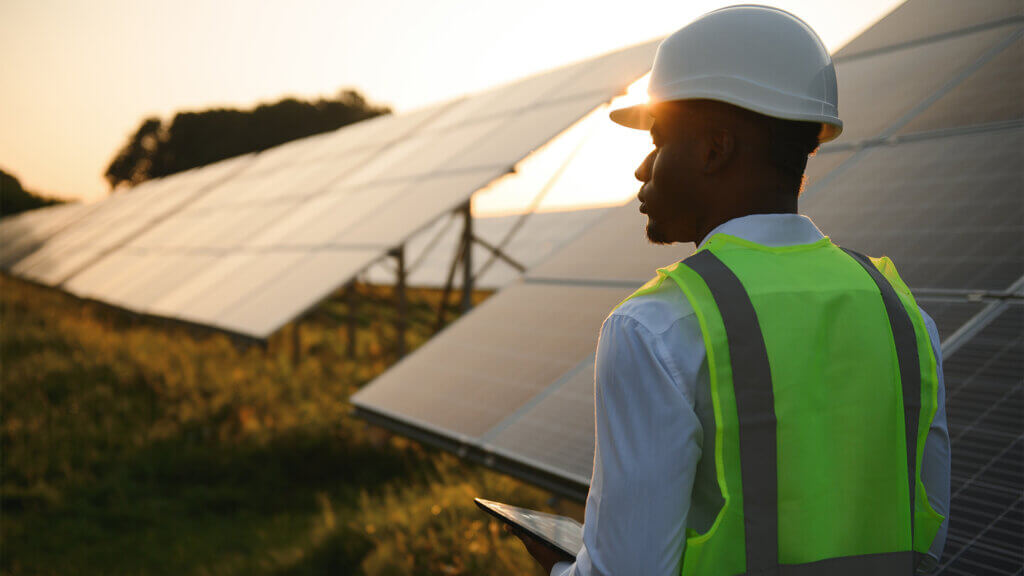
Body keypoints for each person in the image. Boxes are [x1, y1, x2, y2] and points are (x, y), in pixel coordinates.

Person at [508, 6, 950, 575]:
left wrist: (560, 567)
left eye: (659, 140)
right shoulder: (903, 315)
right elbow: (929, 535)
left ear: (714, 149)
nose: (643, 169)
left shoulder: (657, 326)